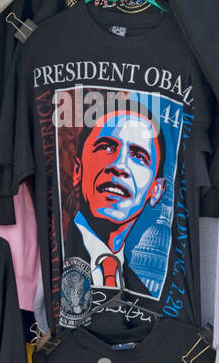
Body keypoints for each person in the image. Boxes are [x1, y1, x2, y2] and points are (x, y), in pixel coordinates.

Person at [65, 108, 167, 294]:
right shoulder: (54, 255)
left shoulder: (143, 293)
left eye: (138, 156)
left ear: (156, 190)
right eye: (106, 147)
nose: (119, 166)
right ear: (77, 171)